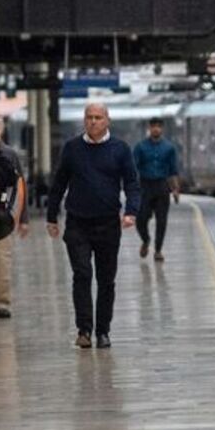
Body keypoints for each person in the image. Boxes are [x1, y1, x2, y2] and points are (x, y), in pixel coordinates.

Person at [45, 102, 140, 349]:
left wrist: (131, 212)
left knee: (106, 280)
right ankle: (84, 330)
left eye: (98, 117)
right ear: (84, 120)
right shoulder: (72, 149)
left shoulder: (120, 149)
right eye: (89, 117)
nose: (93, 122)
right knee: (82, 273)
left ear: (107, 120)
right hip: (78, 223)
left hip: (108, 223)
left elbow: (131, 183)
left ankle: (103, 331)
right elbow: (59, 184)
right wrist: (51, 217)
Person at [132, 116, 182, 263]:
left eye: (159, 126)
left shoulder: (169, 148)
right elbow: (133, 169)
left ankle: (158, 250)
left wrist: (176, 189)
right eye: (153, 126)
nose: (156, 129)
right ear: (149, 128)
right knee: (141, 219)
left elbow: (173, 170)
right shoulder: (140, 147)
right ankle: (146, 240)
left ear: (162, 129)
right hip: (145, 186)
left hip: (162, 187)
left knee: (162, 220)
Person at [0, 118, 27, 320]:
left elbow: (20, 186)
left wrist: (21, 218)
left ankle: (2, 303)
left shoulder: (8, 155)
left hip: (1, 216)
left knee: (2, 260)